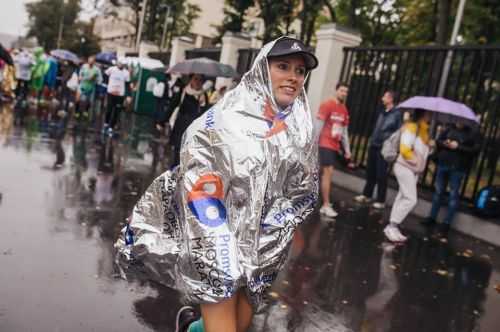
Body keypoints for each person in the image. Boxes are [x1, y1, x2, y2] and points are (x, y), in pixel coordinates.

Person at [117, 36, 319, 332]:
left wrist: (275, 233)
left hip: (263, 251)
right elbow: (197, 183)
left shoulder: (298, 130)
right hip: (217, 244)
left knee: (238, 326)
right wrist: (217, 248)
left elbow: (302, 192)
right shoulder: (224, 120)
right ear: (262, 69)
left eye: (300, 71)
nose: (293, 77)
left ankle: (191, 327)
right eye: (284, 67)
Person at [422, 121, 481, 235]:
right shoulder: (449, 128)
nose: (459, 121)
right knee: (438, 191)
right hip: (443, 163)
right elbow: (438, 141)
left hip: (458, 168)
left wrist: (458, 146)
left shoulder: (473, 133)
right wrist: (446, 143)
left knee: (453, 195)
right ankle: (432, 217)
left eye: (461, 119)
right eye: (458, 118)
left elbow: (475, 150)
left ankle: (446, 223)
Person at [384, 110, 432, 242]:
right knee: (411, 199)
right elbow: (405, 149)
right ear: (422, 115)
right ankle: (392, 226)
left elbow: (422, 151)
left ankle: (393, 226)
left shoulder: (423, 132)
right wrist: (417, 162)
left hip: (412, 170)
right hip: (405, 167)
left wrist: (430, 146)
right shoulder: (412, 127)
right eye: (428, 114)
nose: (430, 116)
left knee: (402, 196)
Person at [354, 91, 402, 209]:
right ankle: (367, 195)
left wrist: (387, 140)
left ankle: (381, 200)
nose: (382, 98)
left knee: (381, 174)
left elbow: (397, 132)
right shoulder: (382, 112)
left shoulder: (396, 114)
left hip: (384, 147)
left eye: (385, 96)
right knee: (370, 172)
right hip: (374, 144)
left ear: (391, 99)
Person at [316, 82, 352, 218]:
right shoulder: (327, 105)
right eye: (342, 90)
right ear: (336, 91)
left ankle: (319, 201)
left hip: (334, 146)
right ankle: (325, 205)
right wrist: (312, 145)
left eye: (346, 92)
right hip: (325, 144)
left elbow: (344, 132)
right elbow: (318, 126)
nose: (343, 93)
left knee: (322, 173)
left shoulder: (344, 109)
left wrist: (347, 149)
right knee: (328, 172)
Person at [159, 73, 210, 167]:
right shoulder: (183, 91)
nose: (198, 82)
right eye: (196, 79)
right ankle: (175, 171)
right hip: (181, 126)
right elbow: (172, 106)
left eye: (200, 80)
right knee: (178, 151)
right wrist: (163, 121)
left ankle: (184, 172)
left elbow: (207, 113)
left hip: (194, 128)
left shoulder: (204, 95)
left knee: (190, 152)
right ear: (191, 80)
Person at [103, 60, 130, 135]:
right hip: (111, 93)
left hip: (120, 94)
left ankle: (111, 127)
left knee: (117, 111)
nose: (120, 65)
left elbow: (127, 84)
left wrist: (128, 95)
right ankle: (106, 123)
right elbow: (104, 75)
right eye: (119, 63)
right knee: (109, 109)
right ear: (117, 63)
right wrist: (106, 84)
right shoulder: (111, 69)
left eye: (122, 64)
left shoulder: (126, 73)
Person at [75, 56, 102, 120]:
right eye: (89, 61)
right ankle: (77, 112)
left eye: (92, 62)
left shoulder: (97, 69)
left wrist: (95, 80)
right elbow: (80, 74)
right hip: (82, 85)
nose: (90, 63)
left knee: (88, 101)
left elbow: (100, 79)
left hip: (91, 87)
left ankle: (86, 111)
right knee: (77, 99)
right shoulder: (84, 66)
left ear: (94, 62)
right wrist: (80, 78)